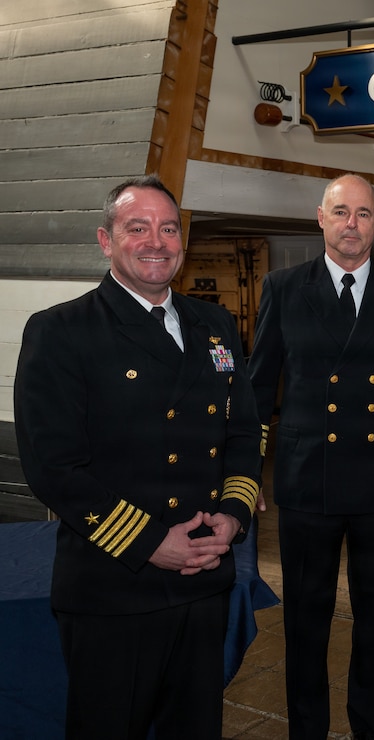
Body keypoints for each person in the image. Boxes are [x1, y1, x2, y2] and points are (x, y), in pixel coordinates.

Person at [13, 175, 262, 739]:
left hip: (203, 578)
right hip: (113, 586)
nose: (157, 240)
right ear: (106, 240)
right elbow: (53, 468)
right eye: (138, 227)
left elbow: (244, 434)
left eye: (168, 228)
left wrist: (233, 515)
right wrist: (151, 542)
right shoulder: (61, 331)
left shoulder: (216, 325)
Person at [248, 173, 374, 740]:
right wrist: (245, 472)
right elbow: (260, 388)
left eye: (362, 213)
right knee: (306, 620)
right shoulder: (284, 287)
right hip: (308, 483)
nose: (351, 223)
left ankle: (370, 729)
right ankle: (306, 731)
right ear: (320, 218)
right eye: (341, 212)